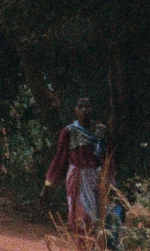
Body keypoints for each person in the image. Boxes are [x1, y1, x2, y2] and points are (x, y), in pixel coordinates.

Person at [43, 96, 111, 233]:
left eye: (87, 107)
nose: (84, 110)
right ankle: (85, 249)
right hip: (78, 176)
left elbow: (107, 156)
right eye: (81, 107)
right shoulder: (70, 131)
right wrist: (49, 182)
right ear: (75, 110)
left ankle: (93, 248)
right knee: (81, 215)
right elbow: (60, 157)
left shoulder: (100, 130)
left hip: (96, 176)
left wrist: (111, 179)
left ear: (91, 110)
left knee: (98, 215)